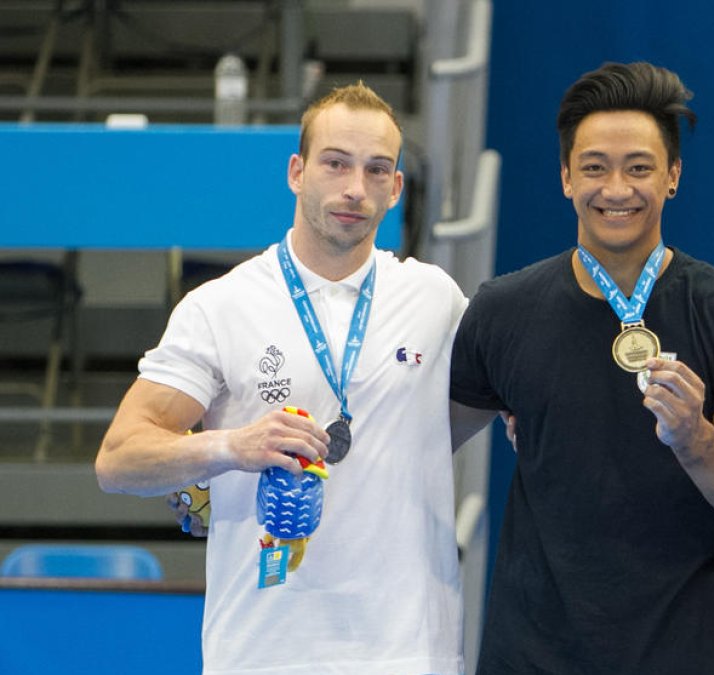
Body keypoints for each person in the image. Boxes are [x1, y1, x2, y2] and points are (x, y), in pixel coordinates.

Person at [95, 82, 468, 675]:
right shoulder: (220, 307)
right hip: (263, 651)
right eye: (335, 163)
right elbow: (117, 461)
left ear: (396, 189)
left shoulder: (435, 301)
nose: (354, 188)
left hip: (408, 649)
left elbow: (492, 401)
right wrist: (231, 446)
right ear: (297, 172)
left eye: (377, 170)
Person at [449, 61, 714, 674]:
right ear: (564, 177)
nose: (616, 189)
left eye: (639, 167)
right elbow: (418, 447)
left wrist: (695, 438)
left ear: (673, 177)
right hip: (529, 657)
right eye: (594, 167)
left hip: (681, 657)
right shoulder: (502, 311)